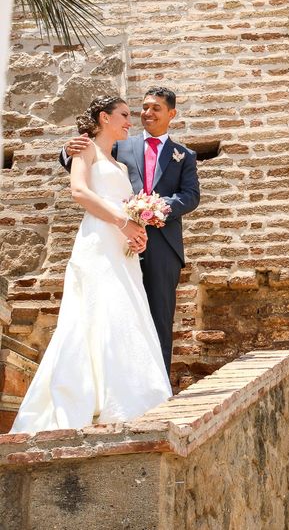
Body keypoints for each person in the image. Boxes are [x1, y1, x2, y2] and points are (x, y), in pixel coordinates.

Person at [11, 96, 172, 433]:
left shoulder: (123, 165)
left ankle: (128, 397)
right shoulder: (83, 150)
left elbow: (127, 203)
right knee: (94, 311)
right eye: (125, 115)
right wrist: (121, 221)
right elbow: (80, 192)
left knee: (125, 313)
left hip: (121, 246)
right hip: (98, 241)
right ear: (104, 117)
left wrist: (136, 230)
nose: (132, 121)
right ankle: (87, 399)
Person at [60, 86, 200, 376]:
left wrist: (156, 209)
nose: (147, 113)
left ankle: (159, 384)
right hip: (118, 236)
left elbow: (190, 196)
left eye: (156, 108)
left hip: (163, 243)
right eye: (144, 107)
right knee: (120, 308)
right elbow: (88, 159)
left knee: (159, 316)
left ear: (171, 114)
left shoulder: (184, 155)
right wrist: (66, 149)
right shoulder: (122, 143)